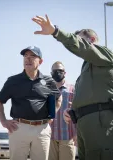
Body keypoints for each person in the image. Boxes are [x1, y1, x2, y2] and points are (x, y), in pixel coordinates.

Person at [32, 15, 113, 160]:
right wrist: (72, 111)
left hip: (100, 125)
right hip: (84, 127)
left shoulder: (106, 54)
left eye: (80, 40)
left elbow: (81, 47)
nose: (76, 47)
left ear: (92, 40)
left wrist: (55, 31)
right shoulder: (84, 73)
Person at [0, 46, 62, 160]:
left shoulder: (48, 81)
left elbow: (58, 98)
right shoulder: (13, 81)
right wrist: (3, 121)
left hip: (42, 129)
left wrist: (52, 114)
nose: (28, 59)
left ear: (40, 61)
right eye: (25, 56)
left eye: (32, 56)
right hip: (19, 128)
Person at [49, 61, 76, 160]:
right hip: (50, 138)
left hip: (68, 137)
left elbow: (78, 112)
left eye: (60, 70)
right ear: (51, 73)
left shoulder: (73, 89)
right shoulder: (47, 90)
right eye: (55, 71)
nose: (58, 73)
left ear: (65, 73)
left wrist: (77, 133)